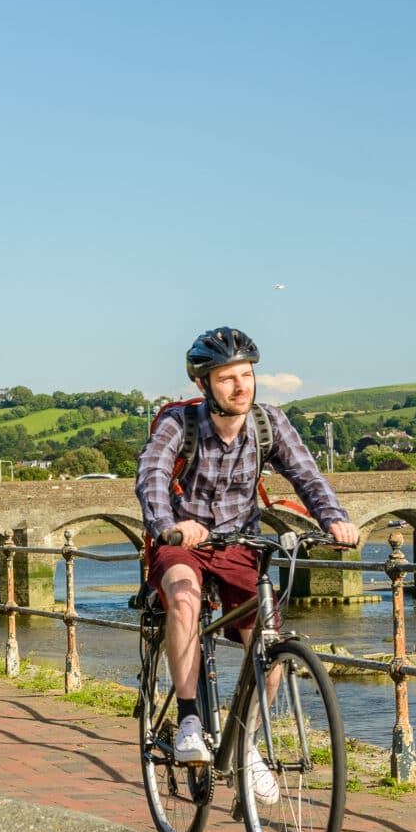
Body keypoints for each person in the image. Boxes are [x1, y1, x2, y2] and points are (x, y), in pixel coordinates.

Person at [136, 327, 360, 800]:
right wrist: (167, 525)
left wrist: (335, 519)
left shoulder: (268, 423)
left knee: (270, 646)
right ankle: (191, 719)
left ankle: (246, 744)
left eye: (246, 375)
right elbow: (152, 474)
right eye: (226, 379)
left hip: (241, 544)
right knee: (183, 595)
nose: (241, 387)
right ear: (203, 385)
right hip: (184, 541)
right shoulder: (180, 424)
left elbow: (306, 475)